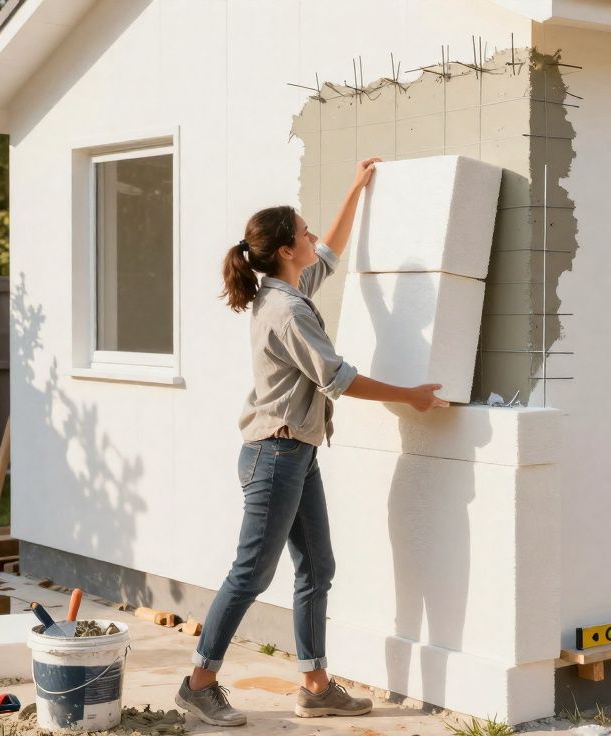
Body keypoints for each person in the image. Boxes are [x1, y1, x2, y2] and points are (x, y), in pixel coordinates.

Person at [176, 157, 448, 726]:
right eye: (303, 231)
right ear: (282, 250)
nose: (313, 236)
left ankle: (315, 686)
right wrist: (411, 396)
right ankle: (199, 683)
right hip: (275, 455)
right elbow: (339, 379)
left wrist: (355, 187)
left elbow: (331, 253)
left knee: (317, 566)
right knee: (251, 571)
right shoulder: (286, 310)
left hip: (296, 451)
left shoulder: (287, 288)